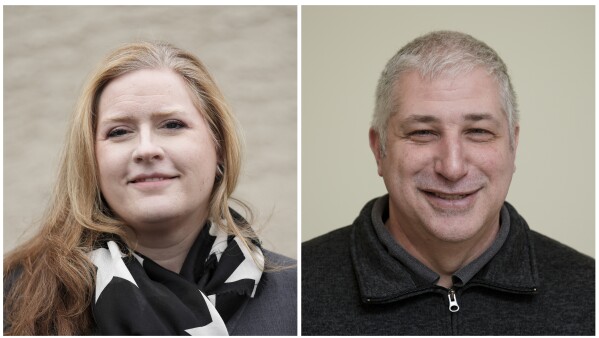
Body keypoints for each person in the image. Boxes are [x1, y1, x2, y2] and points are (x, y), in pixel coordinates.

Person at [302, 31, 594, 335]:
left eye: (478, 132)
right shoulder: (300, 290)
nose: (452, 168)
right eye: (422, 133)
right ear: (380, 150)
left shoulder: (590, 293)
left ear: (513, 145)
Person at [4, 41, 296, 336]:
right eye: (119, 132)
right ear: (89, 157)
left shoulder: (297, 294)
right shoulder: (14, 298)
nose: (146, 149)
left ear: (218, 146)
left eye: (172, 125)